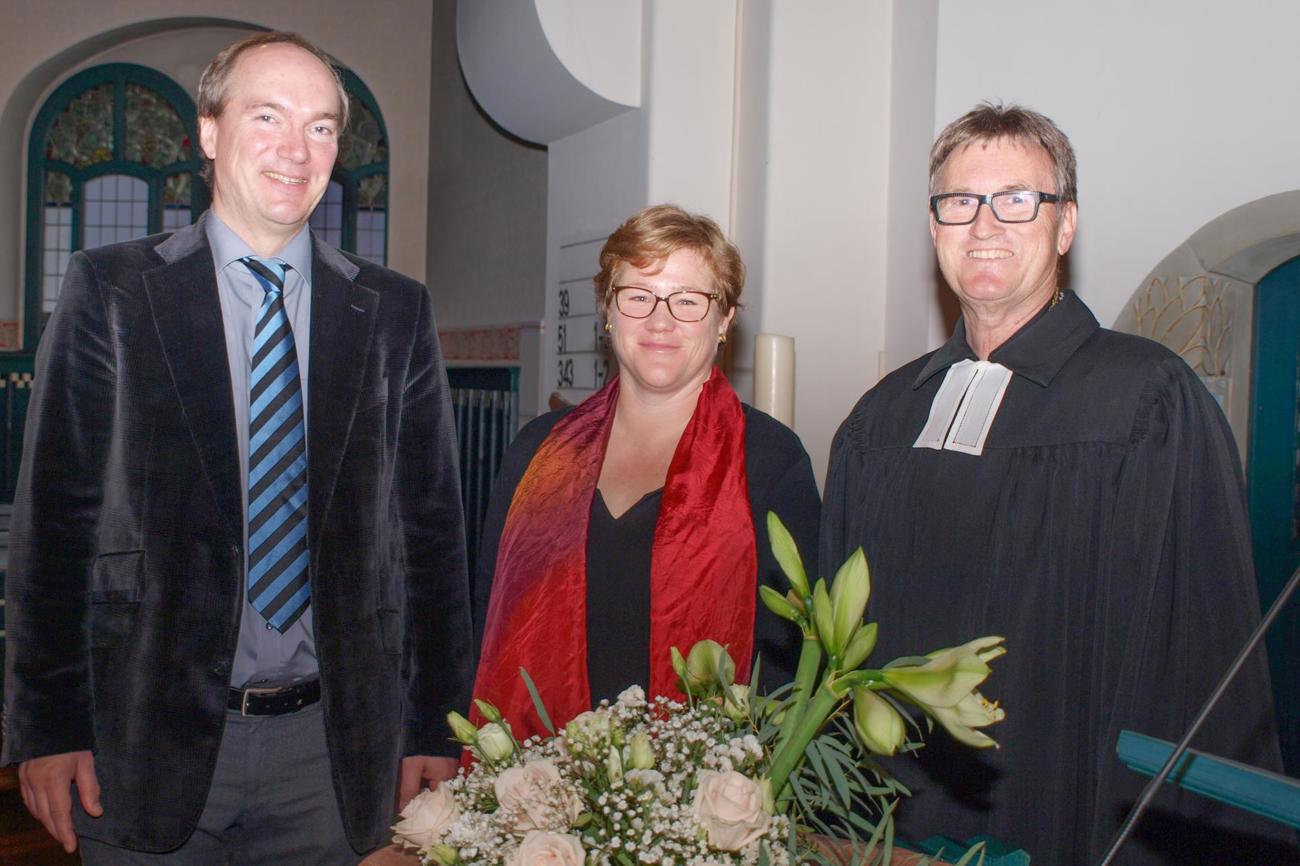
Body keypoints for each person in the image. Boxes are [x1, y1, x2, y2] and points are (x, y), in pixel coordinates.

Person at [1, 32, 472, 864]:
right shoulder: (110, 291)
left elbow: (430, 535)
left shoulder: (393, 312)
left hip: (331, 753)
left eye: (322, 127)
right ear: (209, 133)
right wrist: (45, 724)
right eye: (268, 116)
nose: (298, 149)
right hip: (142, 739)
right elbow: (55, 525)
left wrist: (433, 721)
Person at [820, 103, 1296, 864]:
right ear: (934, 226)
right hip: (888, 819)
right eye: (959, 203)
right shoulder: (880, 419)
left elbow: (1197, 655)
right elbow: (830, 651)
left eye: (1017, 200)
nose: (984, 226)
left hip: (1071, 814)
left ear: (1065, 225)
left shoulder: (1148, 399)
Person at [471, 204, 820, 740]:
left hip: (696, 791)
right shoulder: (537, 450)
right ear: (608, 311)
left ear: (724, 319)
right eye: (638, 297)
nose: (660, 321)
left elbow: (790, 657)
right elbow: (485, 613)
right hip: (535, 772)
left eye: (687, 301)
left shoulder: (770, 458)